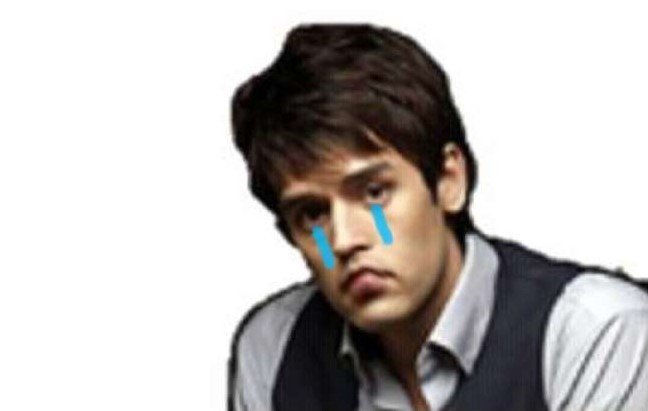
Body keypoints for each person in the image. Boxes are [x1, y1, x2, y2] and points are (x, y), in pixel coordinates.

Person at [227, 23, 648, 411]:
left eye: (375, 193)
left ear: (449, 181)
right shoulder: (274, 349)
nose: (343, 240)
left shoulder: (591, 332)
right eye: (312, 214)